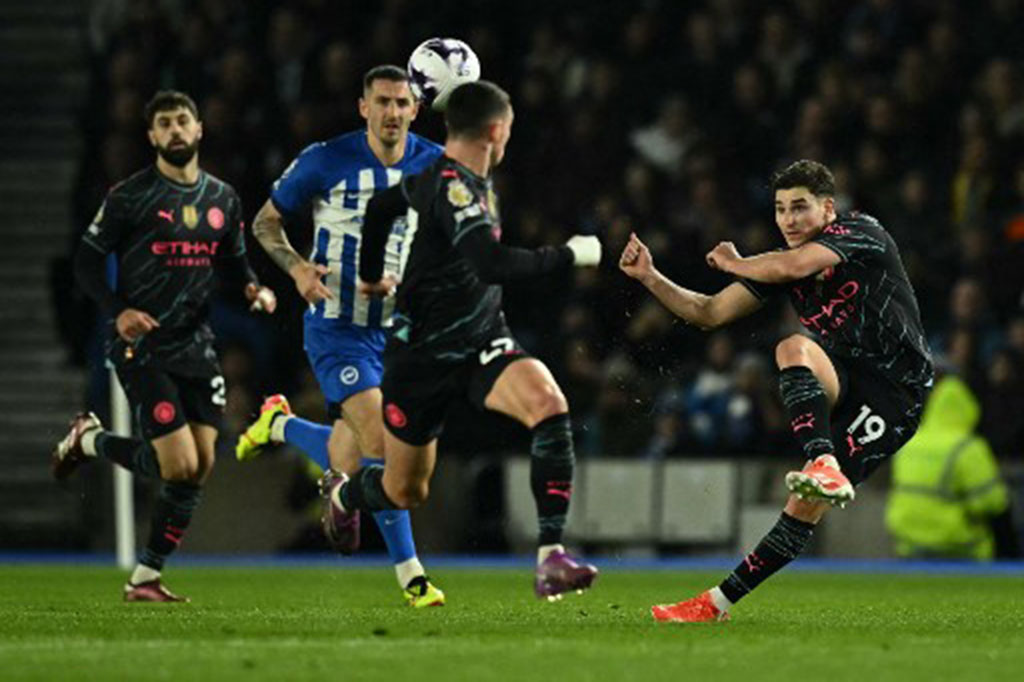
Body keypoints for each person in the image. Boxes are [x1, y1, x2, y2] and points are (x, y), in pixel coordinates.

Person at [620, 159, 934, 622]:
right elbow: (708, 312)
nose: (788, 219)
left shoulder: (861, 231)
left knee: (803, 506)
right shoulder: (781, 266)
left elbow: (795, 263)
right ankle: (819, 464)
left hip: (896, 392)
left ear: (828, 209)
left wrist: (733, 261)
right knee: (793, 348)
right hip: (846, 372)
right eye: (781, 209)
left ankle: (720, 598)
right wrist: (650, 277)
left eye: (800, 208)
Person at [326, 80, 602, 600]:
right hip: (422, 358)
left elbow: (384, 208)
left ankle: (550, 558)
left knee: (549, 406)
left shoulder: (444, 179)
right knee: (405, 490)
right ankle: (344, 497)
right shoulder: (454, 188)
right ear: (497, 131)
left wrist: (368, 274)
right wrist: (570, 255)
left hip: (481, 342)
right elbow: (491, 263)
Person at [53, 90, 277, 602]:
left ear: (199, 130)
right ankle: (87, 441)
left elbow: (236, 261)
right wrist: (119, 312)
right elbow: (85, 263)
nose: (175, 131)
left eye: (182, 121)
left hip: (196, 345)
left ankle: (145, 578)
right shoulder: (129, 197)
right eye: (164, 124)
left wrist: (253, 288)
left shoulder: (222, 198)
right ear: (151, 136)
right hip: (142, 344)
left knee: (200, 466)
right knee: (177, 465)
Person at [234, 65, 445, 607]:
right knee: (385, 447)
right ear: (363, 107)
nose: (393, 112)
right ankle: (411, 575)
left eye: (402, 103)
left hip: (398, 334)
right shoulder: (326, 159)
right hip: (338, 329)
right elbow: (263, 223)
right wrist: (299, 269)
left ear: (416, 109)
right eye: (383, 102)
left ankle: (279, 425)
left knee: (348, 457)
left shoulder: (436, 165)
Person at [886, 375, 1019, 560]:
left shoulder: (911, 442)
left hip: (909, 543)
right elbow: (991, 503)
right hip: (957, 546)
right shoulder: (967, 447)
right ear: (968, 407)